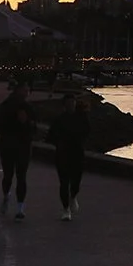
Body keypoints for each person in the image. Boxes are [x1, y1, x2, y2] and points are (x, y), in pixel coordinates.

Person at [0, 81, 39, 220]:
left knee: (21, 176)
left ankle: (20, 207)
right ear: (18, 90)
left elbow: (34, 128)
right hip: (8, 145)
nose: (27, 93)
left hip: (24, 146)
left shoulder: (29, 108)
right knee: (8, 175)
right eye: (24, 90)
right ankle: (6, 196)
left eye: (28, 90)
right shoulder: (7, 106)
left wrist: (26, 123)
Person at [48, 92, 93, 221]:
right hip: (62, 154)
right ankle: (66, 209)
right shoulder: (59, 120)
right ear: (64, 105)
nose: (71, 105)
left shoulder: (82, 118)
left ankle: (73, 196)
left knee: (76, 181)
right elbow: (51, 136)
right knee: (63, 182)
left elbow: (87, 131)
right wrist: (59, 143)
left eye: (73, 103)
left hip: (77, 153)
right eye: (68, 103)